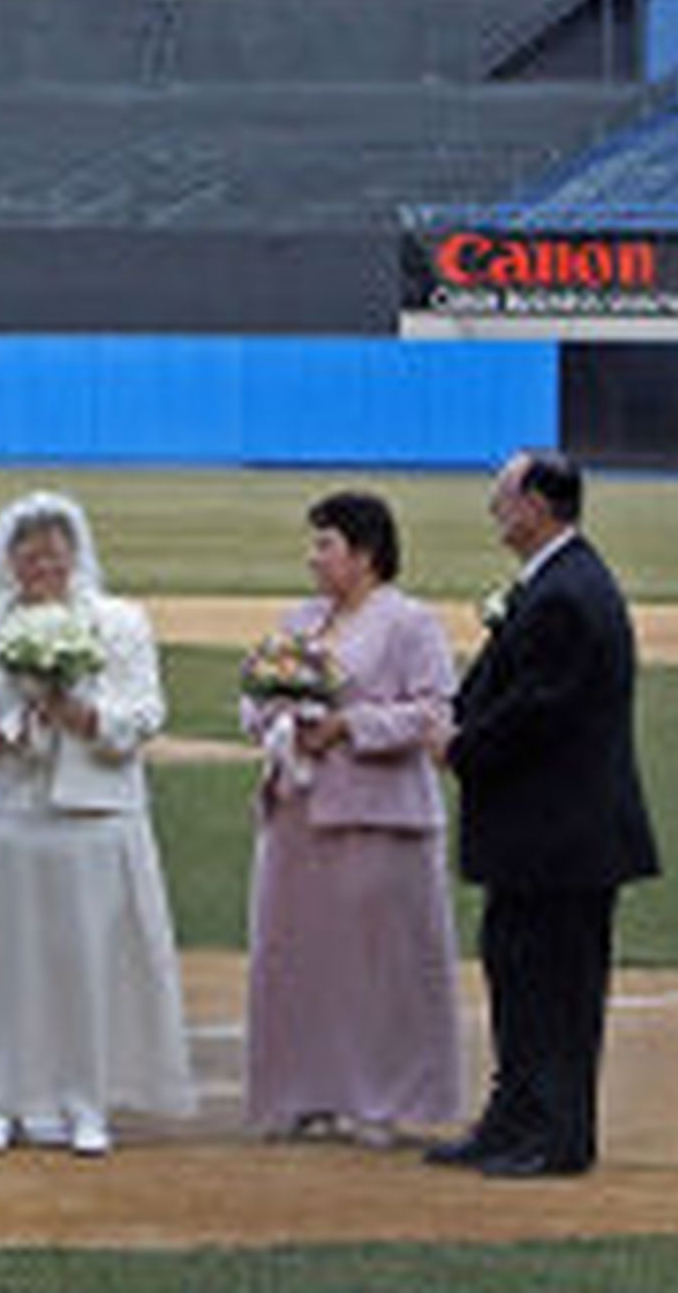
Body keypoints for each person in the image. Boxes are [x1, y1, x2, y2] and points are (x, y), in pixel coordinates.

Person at [0, 492, 193, 1158]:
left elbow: (147, 709)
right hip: (1, 812)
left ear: (75, 552)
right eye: (28, 552)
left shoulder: (119, 621)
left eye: (54, 551)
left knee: (85, 962)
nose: (42, 564)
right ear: (9, 557)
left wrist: (87, 717)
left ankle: (83, 1098)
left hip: (92, 813)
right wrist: (0, 732)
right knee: (1, 962)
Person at [430, 450, 661, 1179]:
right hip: (543, 836)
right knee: (519, 976)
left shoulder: (567, 591)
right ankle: (514, 1117)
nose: (494, 509)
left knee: (555, 990)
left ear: (536, 504)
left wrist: (462, 744)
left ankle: (556, 1135)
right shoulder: (557, 582)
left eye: (503, 495)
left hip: (562, 837)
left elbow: (541, 710)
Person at [239, 490, 462, 1149]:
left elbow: (432, 712)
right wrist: (277, 720)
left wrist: (347, 726)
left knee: (379, 965)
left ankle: (380, 1097)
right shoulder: (302, 619)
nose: (314, 559)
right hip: (298, 814)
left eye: (325, 544)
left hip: (378, 817)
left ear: (364, 553)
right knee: (300, 959)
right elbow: (255, 697)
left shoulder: (408, 622)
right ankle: (305, 1091)